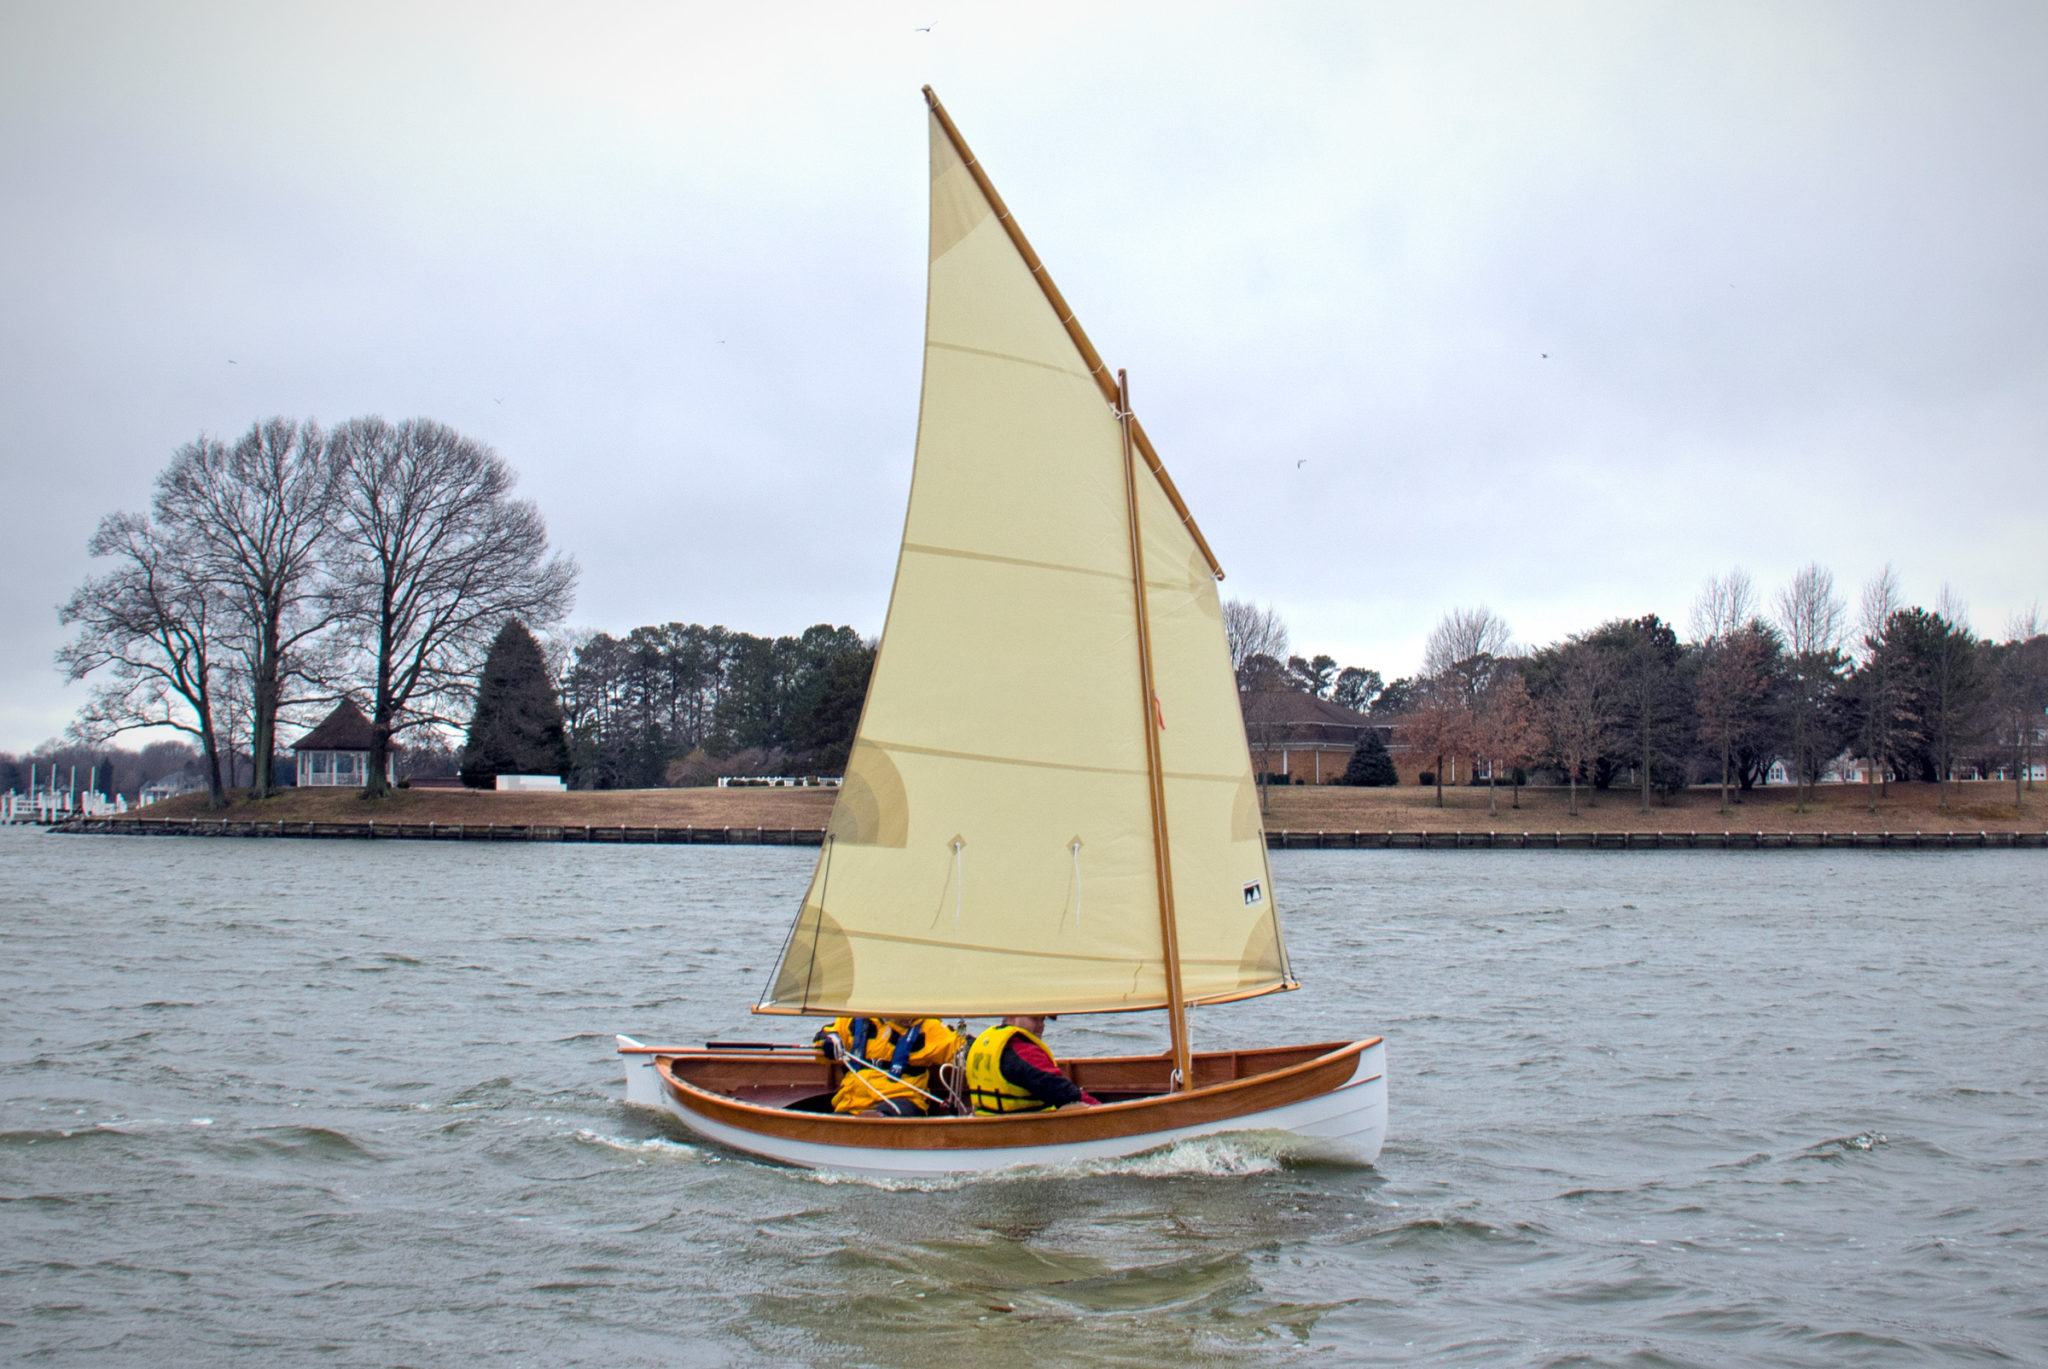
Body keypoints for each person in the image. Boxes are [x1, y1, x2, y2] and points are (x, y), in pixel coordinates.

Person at [814, 1016, 964, 1117]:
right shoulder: (855, 1019)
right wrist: (828, 1041)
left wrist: (969, 1052)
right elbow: (821, 1039)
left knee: (878, 1120)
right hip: (853, 1102)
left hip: (901, 1100)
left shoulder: (929, 1027)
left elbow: (960, 1046)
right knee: (838, 1123)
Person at [964, 1014, 1099, 1114]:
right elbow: (1064, 1093)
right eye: (1034, 1019)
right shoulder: (1024, 1052)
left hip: (987, 1124)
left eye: (1042, 1019)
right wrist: (1100, 1109)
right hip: (1025, 1131)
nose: (1041, 1026)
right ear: (1011, 1017)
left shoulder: (982, 1043)